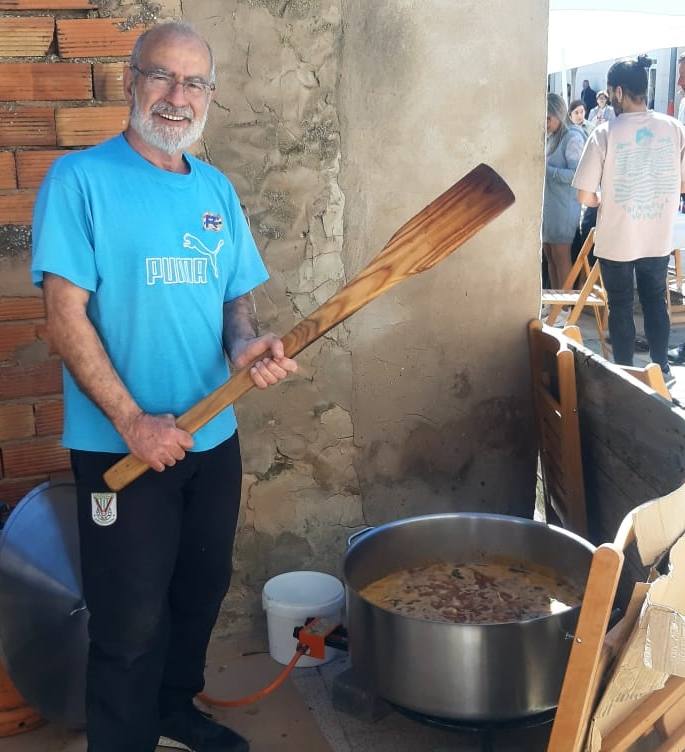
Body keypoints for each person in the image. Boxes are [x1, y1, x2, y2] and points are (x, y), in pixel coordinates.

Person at [30, 21, 297, 752]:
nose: (178, 97)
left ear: (210, 94)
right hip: (125, 446)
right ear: (131, 81)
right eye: (163, 77)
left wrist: (245, 348)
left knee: (196, 594)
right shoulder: (80, 181)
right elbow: (63, 316)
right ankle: (122, 740)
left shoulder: (215, 189)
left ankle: (174, 712)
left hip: (212, 435)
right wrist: (131, 421)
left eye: (194, 82)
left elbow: (233, 299)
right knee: (127, 619)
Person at [573, 55, 685, 384]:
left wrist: (602, 198)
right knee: (655, 301)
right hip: (657, 236)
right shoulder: (675, 129)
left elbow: (584, 195)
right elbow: (681, 183)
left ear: (618, 92)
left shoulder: (606, 132)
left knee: (620, 305)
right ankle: (661, 368)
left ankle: (626, 374)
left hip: (618, 236)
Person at [543, 93, 585, 305]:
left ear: (558, 114)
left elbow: (576, 175)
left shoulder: (573, 138)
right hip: (550, 207)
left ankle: (565, 307)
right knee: (550, 254)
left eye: (548, 118)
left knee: (561, 256)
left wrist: (547, 171)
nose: (545, 123)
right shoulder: (552, 137)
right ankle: (554, 304)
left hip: (564, 207)